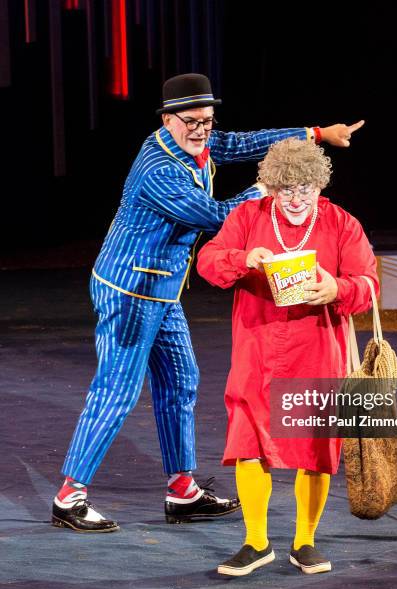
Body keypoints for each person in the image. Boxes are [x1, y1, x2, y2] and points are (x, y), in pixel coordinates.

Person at [51, 73, 365, 532]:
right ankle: (69, 496)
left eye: (209, 121)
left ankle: (182, 491)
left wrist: (315, 133)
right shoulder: (158, 171)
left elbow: (242, 142)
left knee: (181, 382)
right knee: (117, 390)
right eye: (193, 122)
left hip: (163, 288)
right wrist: (265, 190)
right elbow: (216, 216)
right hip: (128, 289)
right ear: (167, 119)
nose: (203, 131)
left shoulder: (201, 142)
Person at [196, 138, 378, 576]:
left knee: (315, 446)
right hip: (257, 348)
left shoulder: (340, 223)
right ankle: (256, 542)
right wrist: (245, 259)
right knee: (248, 442)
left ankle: (305, 541)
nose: (296, 200)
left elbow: (369, 283)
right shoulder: (247, 217)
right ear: (270, 187)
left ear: (319, 185)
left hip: (317, 350)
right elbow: (208, 261)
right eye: (286, 190)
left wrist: (338, 289)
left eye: (305, 189)